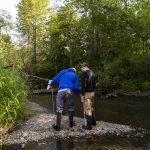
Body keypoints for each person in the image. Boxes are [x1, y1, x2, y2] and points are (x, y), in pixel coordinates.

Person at [80, 62, 97, 130]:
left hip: (87, 93)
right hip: (93, 92)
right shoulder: (93, 73)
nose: (81, 69)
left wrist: (82, 94)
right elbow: (95, 84)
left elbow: (83, 85)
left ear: (84, 67)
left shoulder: (85, 73)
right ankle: (93, 122)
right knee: (91, 107)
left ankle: (88, 126)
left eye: (81, 68)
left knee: (87, 108)